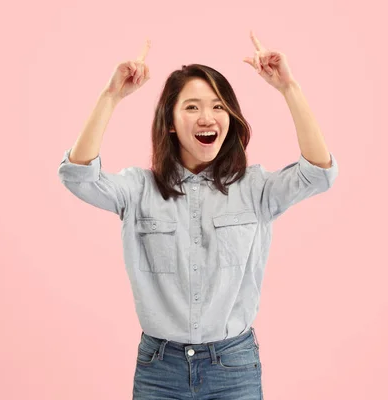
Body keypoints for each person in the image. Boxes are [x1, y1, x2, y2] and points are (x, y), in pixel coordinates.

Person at [57, 31, 339, 400]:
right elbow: (78, 176)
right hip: (159, 369)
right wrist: (112, 97)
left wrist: (289, 89)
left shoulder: (256, 189)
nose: (207, 116)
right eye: (191, 106)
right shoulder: (138, 190)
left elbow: (318, 173)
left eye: (218, 106)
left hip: (233, 366)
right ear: (171, 122)